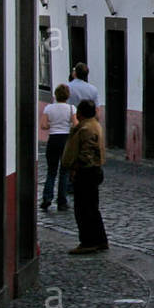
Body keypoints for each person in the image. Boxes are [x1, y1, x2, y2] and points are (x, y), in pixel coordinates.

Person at [60, 100, 108, 254]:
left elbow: (86, 153)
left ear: (80, 113)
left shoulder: (85, 129)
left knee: (83, 208)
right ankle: (100, 240)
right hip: (93, 170)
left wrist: (76, 168)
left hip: (86, 171)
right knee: (92, 207)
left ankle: (88, 241)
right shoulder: (94, 125)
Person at [39, 83, 77, 211]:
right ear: (67, 96)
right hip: (65, 139)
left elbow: (43, 125)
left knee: (51, 170)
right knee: (64, 171)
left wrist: (53, 125)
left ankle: (47, 198)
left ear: (55, 95)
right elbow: (75, 124)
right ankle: (62, 201)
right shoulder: (71, 108)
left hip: (53, 139)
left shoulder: (49, 108)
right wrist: (67, 125)